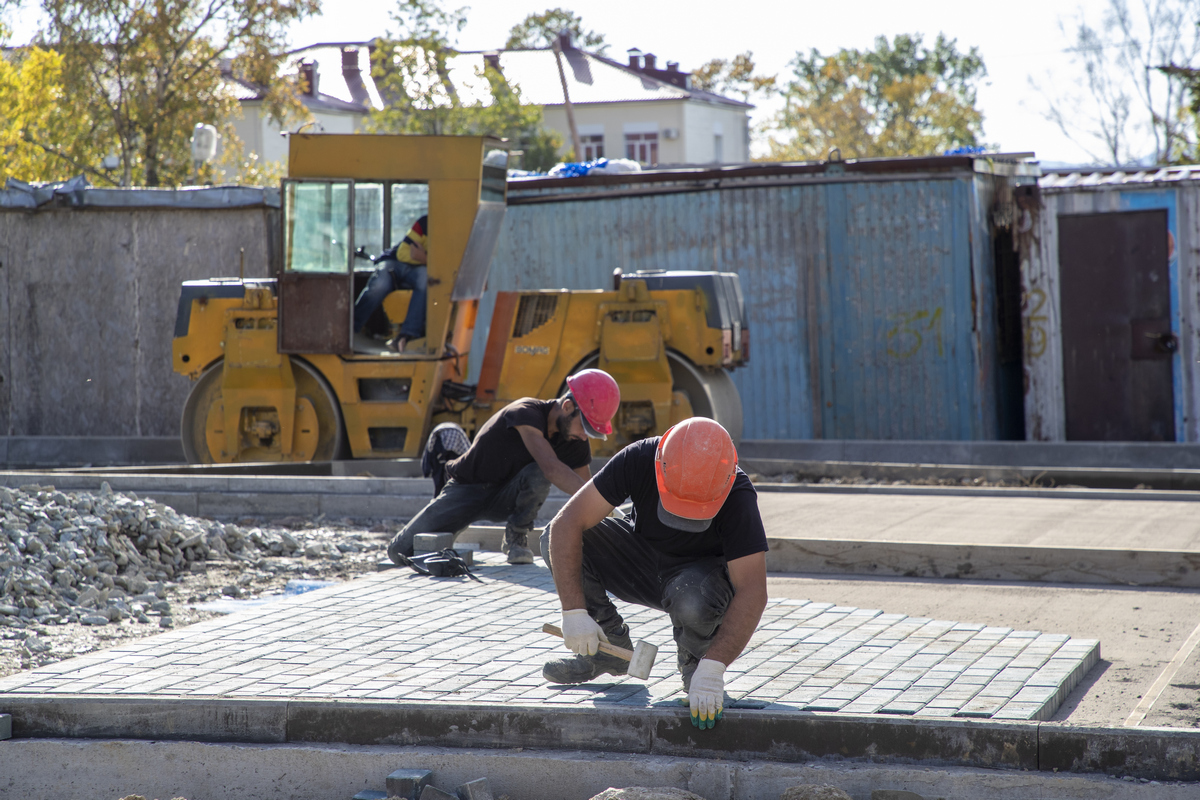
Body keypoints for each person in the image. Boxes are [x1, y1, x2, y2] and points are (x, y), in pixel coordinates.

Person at [540, 417, 768, 730]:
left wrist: (714, 668)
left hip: (697, 578)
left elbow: (752, 590)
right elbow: (566, 524)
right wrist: (574, 611)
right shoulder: (640, 458)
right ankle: (611, 650)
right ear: (661, 468)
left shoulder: (738, 494)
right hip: (641, 561)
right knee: (554, 538)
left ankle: (696, 667)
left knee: (691, 599)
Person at [387, 368, 621, 566]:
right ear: (568, 407)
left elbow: (585, 489)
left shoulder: (574, 439)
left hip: (507, 498)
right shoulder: (525, 413)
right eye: (585, 427)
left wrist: (608, 514)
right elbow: (553, 468)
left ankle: (516, 538)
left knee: (537, 474)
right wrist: (601, 502)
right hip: (467, 490)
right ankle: (449, 529)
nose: (584, 436)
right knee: (399, 552)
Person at [353, 215, 428, 352]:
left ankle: (408, 335)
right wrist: (425, 259)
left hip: (420, 270)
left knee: (425, 277)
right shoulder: (425, 223)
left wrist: (424, 258)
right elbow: (403, 253)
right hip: (394, 262)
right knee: (381, 284)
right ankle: (352, 327)